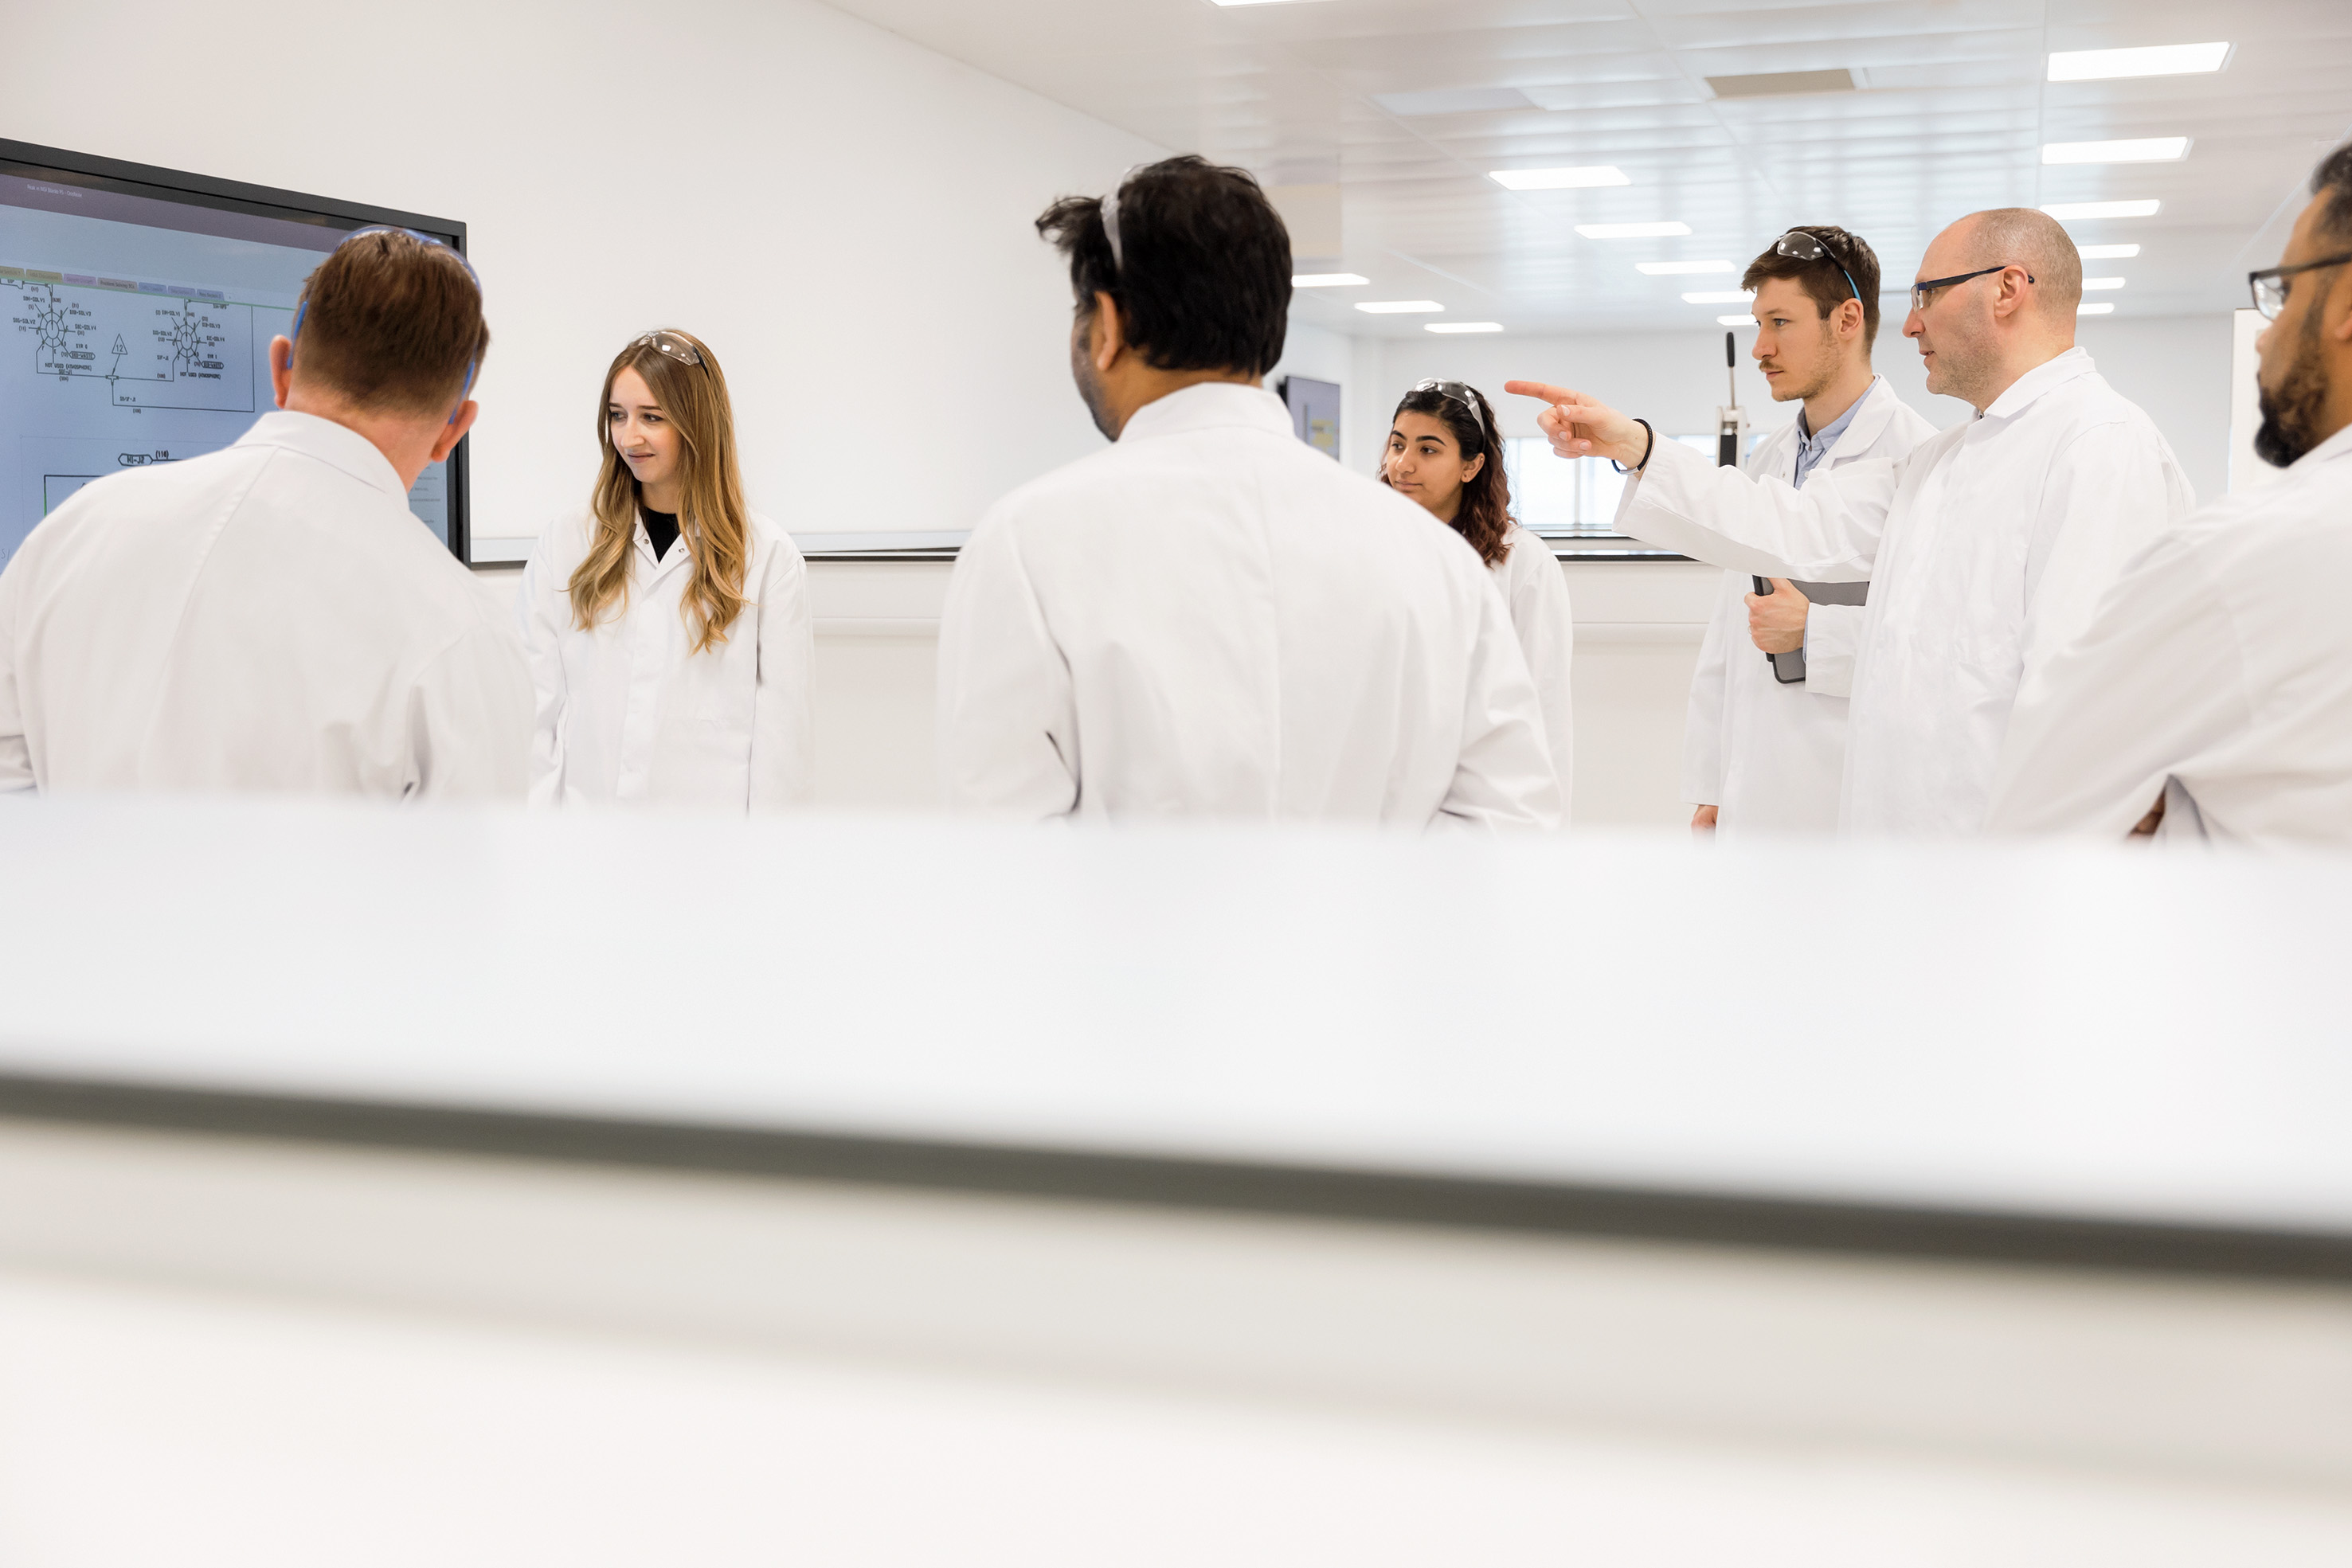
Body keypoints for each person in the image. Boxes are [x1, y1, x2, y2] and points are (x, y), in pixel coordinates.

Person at [1508, 206, 2195, 836]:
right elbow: (1792, 523)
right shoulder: (1945, 459)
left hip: (2000, 878)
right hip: (1904, 859)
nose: (1909, 323)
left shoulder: (2096, 445)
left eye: (1927, 293)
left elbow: (2089, 711)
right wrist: (1634, 445)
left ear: (2007, 288)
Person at [937, 155, 1558, 827]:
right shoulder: (1434, 561)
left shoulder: (1030, 543)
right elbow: (1509, 825)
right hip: (1378, 935)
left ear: (1107, 326)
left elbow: (1001, 849)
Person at [0, 227, 526, 798]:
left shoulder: (66, 536)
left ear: (281, 367)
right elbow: (464, 879)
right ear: (455, 427)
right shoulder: (464, 631)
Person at [1987, 142, 2352, 843]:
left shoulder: (2242, 553)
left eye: (2286, 291)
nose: (2260, 339)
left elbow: (2035, 825)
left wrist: (2157, 805)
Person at [1685, 227, 1939, 837]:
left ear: (1846, 319)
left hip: (1848, 786)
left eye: (1779, 322)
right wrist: (1710, 783)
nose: (1759, 348)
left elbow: (1932, 648)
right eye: (1757, 324)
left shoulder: (1919, 459)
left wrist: (1817, 631)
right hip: (1754, 786)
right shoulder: (1767, 459)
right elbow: (1727, 632)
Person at [517, 330, 812, 811]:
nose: (629, 437)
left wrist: (766, 873)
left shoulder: (768, 558)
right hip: (587, 851)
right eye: (618, 415)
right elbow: (532, 717)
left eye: (652, 418)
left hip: (710, 862)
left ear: (697, 424)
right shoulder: (567, 543)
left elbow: (783, 749)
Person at [1380, 377, 1575, 816]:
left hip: (1484, 800)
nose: (1403, 465)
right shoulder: (1369, 545)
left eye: (1428, 450)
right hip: (1384, 790)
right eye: (1397, 445)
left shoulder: (1523, 563)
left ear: (1471, 466)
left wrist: (1546, 834)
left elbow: (1545, 710)